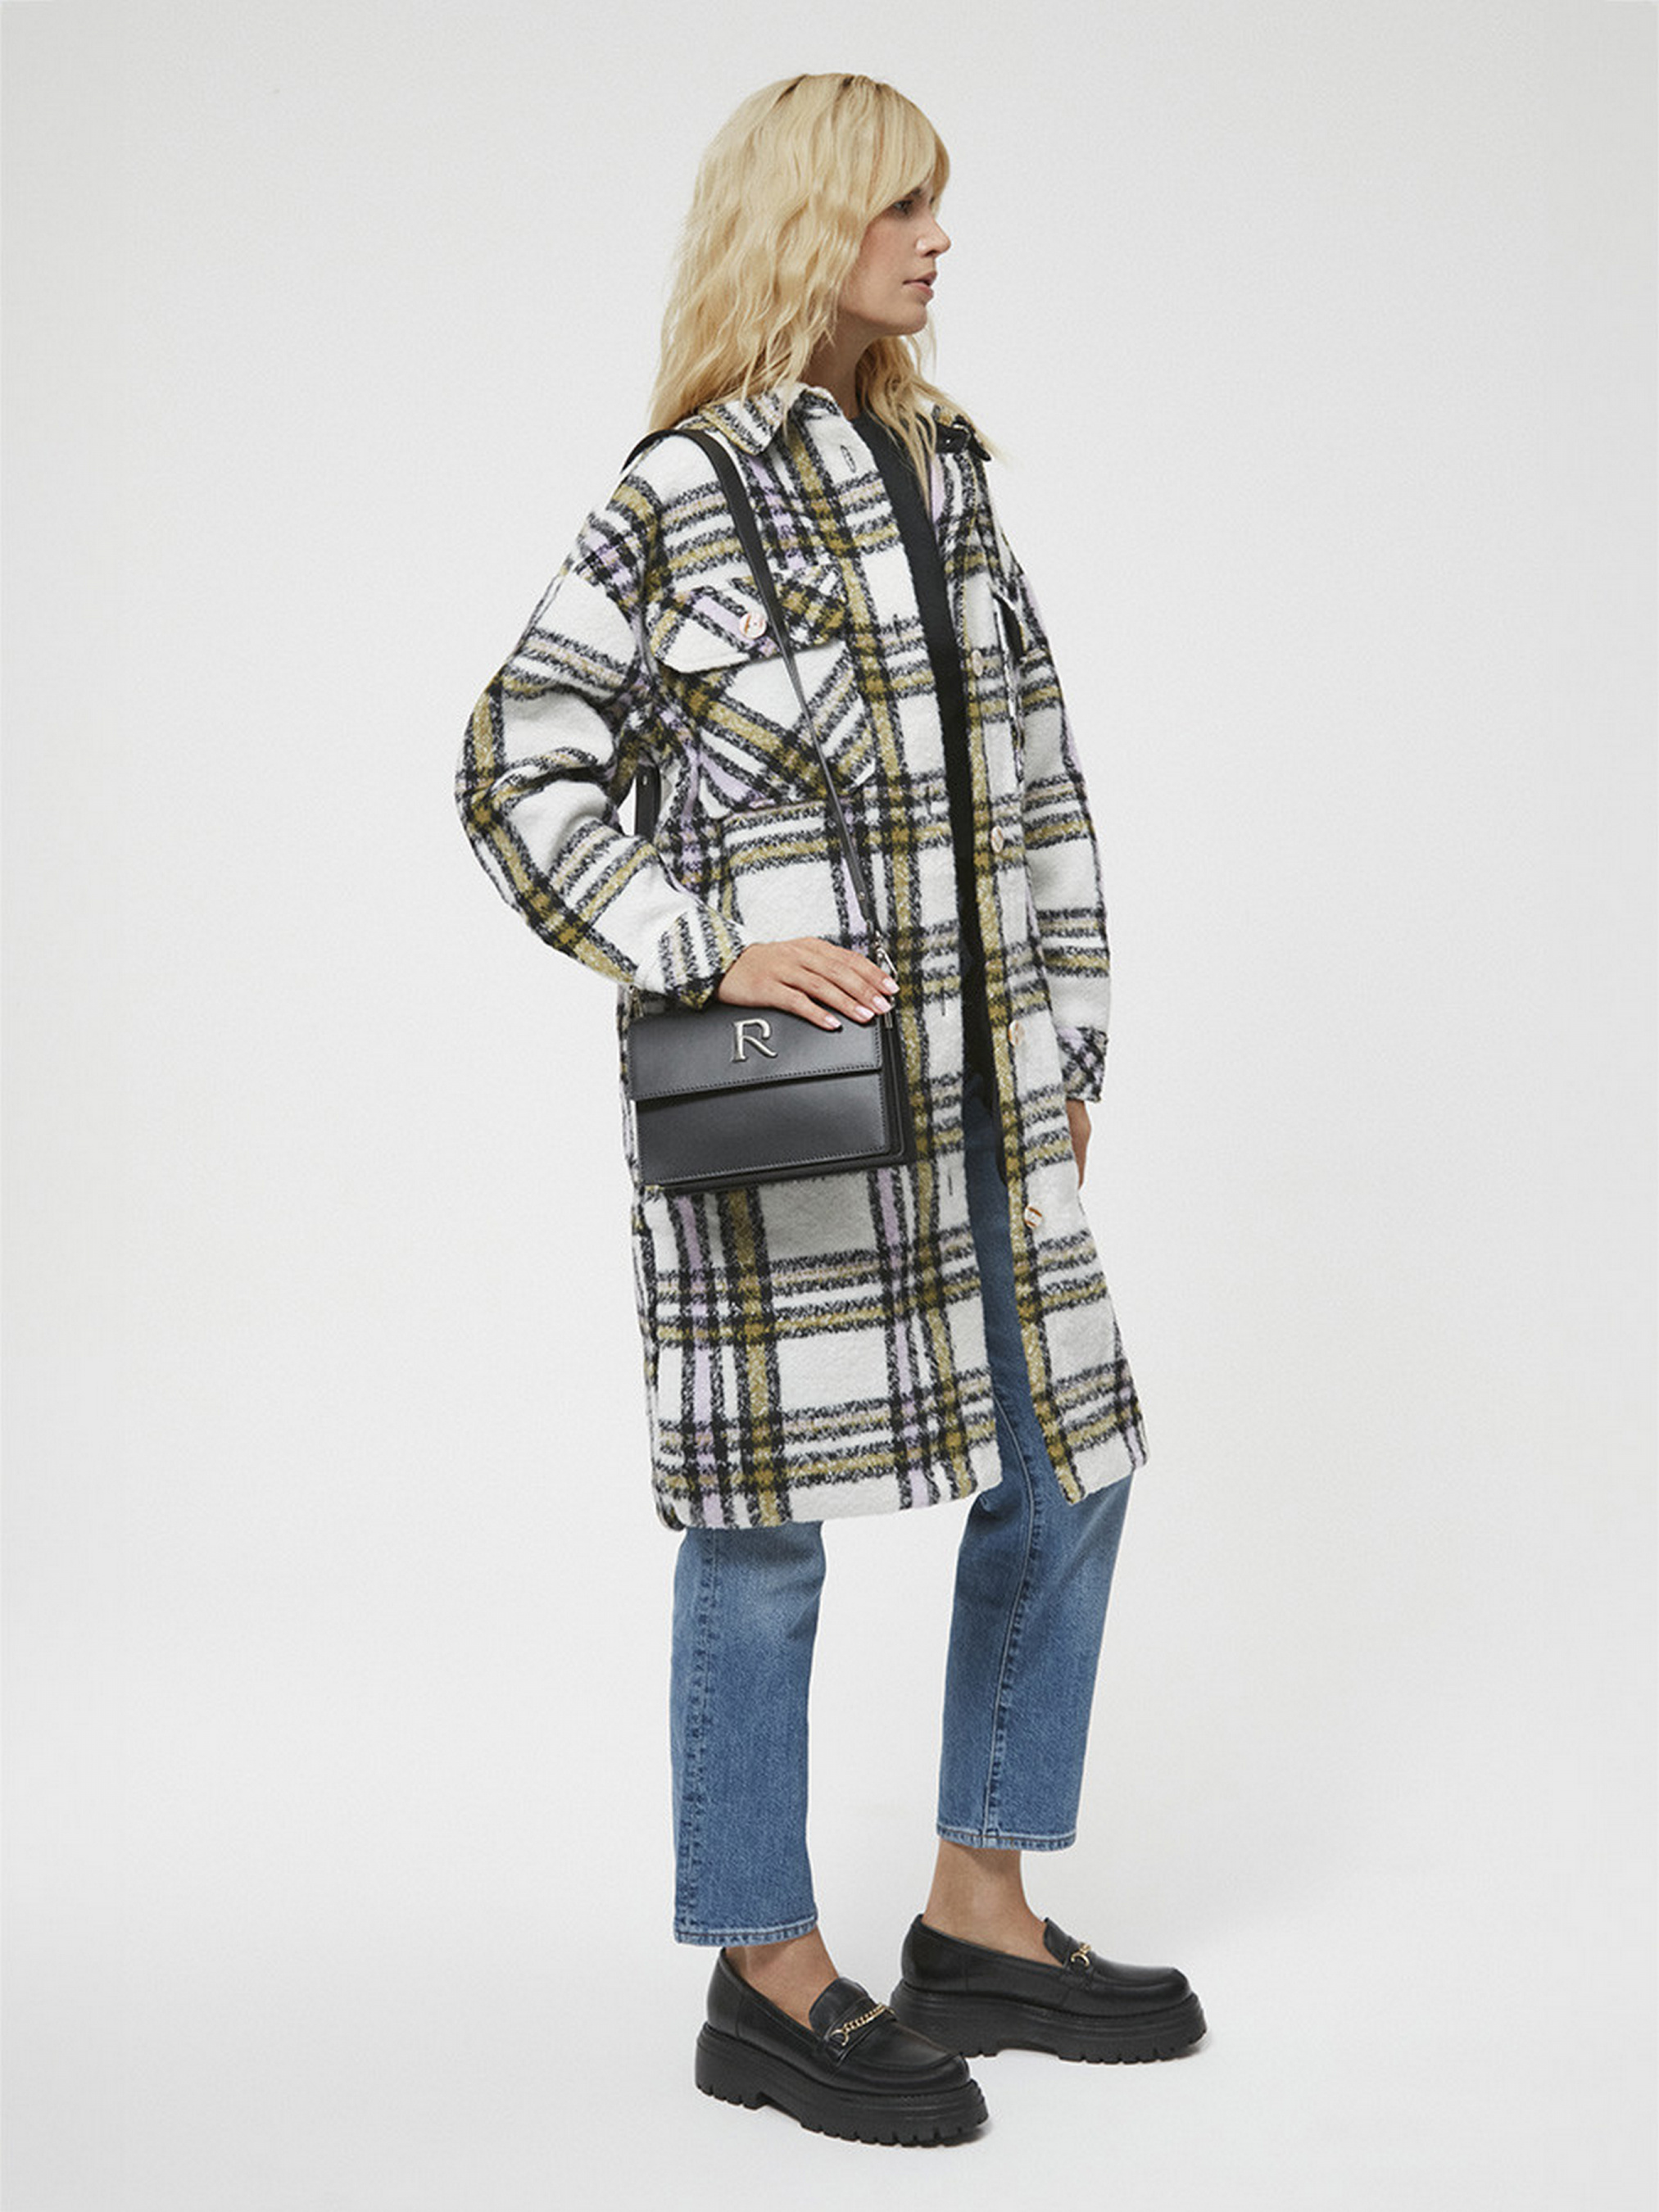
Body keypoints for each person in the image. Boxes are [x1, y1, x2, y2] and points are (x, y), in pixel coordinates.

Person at [456, 71, 1203, 2145]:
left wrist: (1069, 1047)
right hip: (791, 1121)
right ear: (803, 224)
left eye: (933, 208)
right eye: (895, 208)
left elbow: (1038, 777)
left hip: (986, 1103)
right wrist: (696, 943)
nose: (932, 241)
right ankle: (764, 1969)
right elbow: (512, 763)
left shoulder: (947, 472)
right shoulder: (682, 492)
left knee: (1072, 1463)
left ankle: (977, 1911)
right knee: (758, 1537)